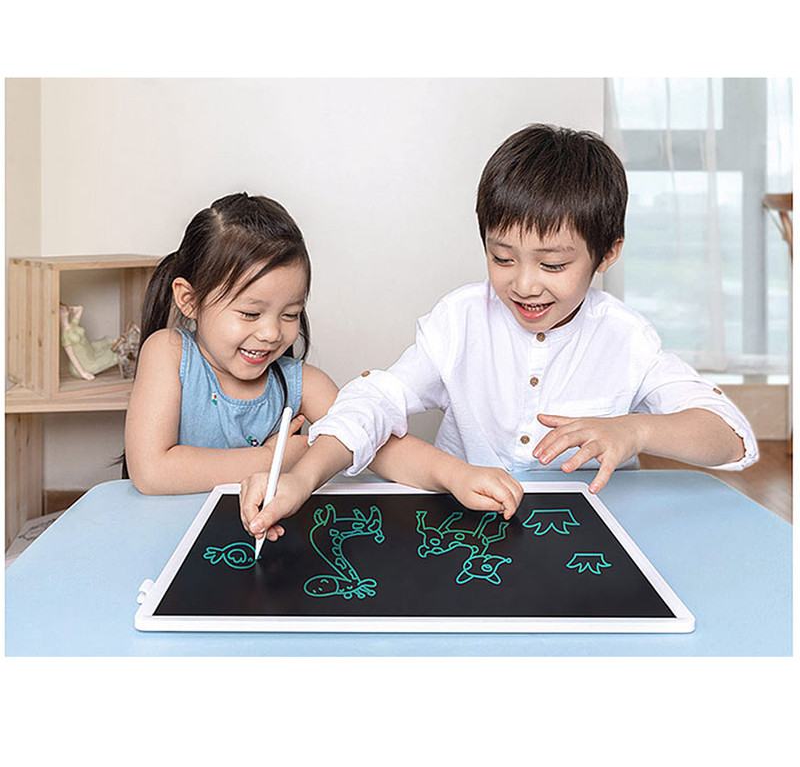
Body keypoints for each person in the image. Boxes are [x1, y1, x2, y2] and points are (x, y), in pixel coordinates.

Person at [240, 125, 758, 541]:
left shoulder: (626, 337)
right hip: (466, 529)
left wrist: (634, 431)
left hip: (591, 536)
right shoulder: (460, 319)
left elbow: (732, 437)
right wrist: (301, 478)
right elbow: (375, 401)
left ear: (607, 253)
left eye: (553, 265)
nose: (524, 285)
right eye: (502, 258)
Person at [125, 192, 521, 524]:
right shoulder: (168, 352)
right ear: (189, 300)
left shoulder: (304, 384)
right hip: (167, 536)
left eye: (290, 314)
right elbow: (152, 472)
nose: (271, 333)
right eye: (250, 313)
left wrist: (457, 474)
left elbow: (374, 440)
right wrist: (272, 459)